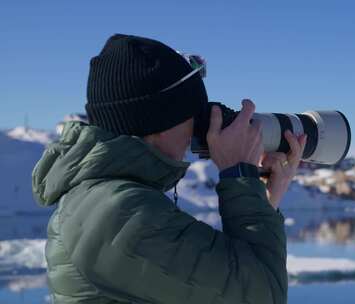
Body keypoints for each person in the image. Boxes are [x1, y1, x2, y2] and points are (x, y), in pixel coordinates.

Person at [32, 34, 306, 304]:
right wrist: (238, 175)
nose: (196, 129)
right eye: (191, 115)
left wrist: (262, 202)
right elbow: (262, 295)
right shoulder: (115, 212)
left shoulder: (109, 201)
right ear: (158, 123)